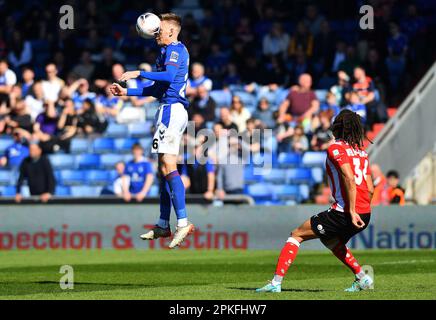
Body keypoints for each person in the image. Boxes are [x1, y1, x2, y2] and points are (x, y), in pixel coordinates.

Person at [256, 110, 374, 293]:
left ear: (338, 128)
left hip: (345, 212)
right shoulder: (361, 153)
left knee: (296, 235)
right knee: (331, 241)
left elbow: (350, 179)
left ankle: (275, 283)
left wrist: (351, 211)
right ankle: (362, 278)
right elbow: (370, 188)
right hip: (365, 213)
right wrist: (361, 208)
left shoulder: (336, 149)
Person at [110, 13, 194, 249]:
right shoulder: (164, 53)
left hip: (172, 110)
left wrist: (138, 73)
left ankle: (183, 222)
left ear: (172, 31)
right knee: (162, 169)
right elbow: (158, 88)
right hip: (166, 108)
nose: (156, 32)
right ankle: (163, 223)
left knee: (168, 167)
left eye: (161, 29)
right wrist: (126, 93)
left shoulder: (176, 49)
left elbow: (167, 76)